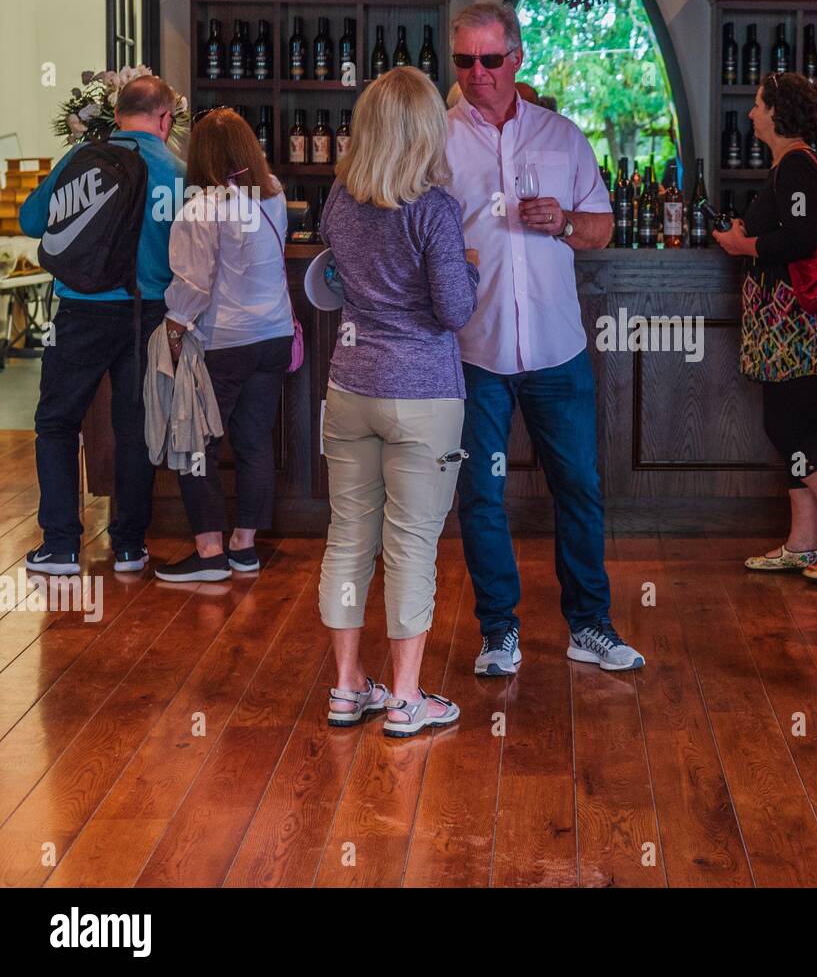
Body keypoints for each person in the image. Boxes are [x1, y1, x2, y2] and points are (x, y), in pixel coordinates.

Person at [443, 1, 644, 676]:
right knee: (480, 494)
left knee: (579, 488)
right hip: (475, 350)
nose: (477, 74)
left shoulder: (563, 138)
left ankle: (590, 623)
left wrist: (562, 221)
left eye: (490, 60)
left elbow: (602, 228)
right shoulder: (434, 142)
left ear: (517, 58)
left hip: (559, 351)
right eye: (464, 61)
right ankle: (498, 630)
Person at [317, 67, 479, 736]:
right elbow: (456, 311)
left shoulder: (338, 197)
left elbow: (335, 278)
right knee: (411, 546)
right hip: (421, 395)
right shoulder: (435, 211)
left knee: (348, 539)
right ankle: (408, 700)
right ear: (426, 132)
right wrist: (467, 266)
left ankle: (348, 687)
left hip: (349, 386)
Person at [715, 71, 817, 583]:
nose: (750, 114)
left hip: (798, 326)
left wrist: (744, 246)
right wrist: (751, 234)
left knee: (793, 427)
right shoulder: (794, 167)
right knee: (792, 428)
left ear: (777, 112)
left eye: (758, 104)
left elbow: (803, 238)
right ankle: (804, 544)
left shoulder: (795, 167)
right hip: (797, 324)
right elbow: (794, 230)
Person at [21, 75, 186, 575]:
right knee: (135, 427)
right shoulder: (180, 172)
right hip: (150, 315)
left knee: (57, 422)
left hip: (81, 310)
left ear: (115, 115)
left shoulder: (80, 158)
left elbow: (32, 221)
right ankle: (131, 547)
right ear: (165, 119)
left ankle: (61, 546)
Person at [153, 109, 295, 581]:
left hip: (223, 342)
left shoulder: (202, 207)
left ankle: (209, 552)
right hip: (273, 336)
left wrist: (172, 332)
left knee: (197, 444)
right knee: (255, 442)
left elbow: (192, 285)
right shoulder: (272, 193)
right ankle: (245, 547)